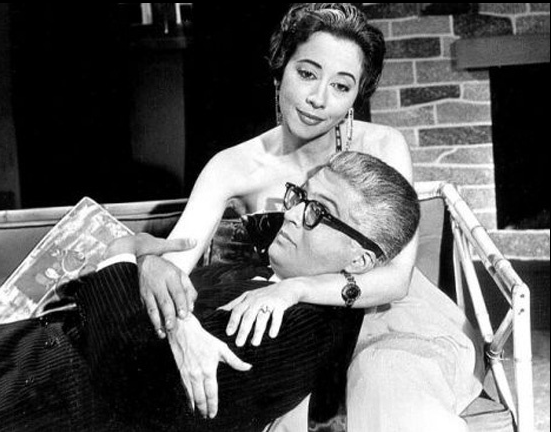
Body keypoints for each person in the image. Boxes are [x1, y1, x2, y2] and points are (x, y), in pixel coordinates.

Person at [138, 4, 483, 431]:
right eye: (307, 74)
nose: (319, 99)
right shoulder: (233, 166)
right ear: (280, 68)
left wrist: (296, 289)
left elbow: (396, 279)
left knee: (388, 386)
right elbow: (171, 266)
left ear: (357, 95)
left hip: (383, 318)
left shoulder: (384, 145)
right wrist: (176, 316)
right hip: (296, 331)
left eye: (341, 85)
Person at [0, 152, 420, 432]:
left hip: (27, 397)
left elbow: (136, 382)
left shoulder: (297, 324)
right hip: (16, 357)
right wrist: (148, 264)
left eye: (318, 213)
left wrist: (120, 254)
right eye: (300, 198)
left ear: (360, 260)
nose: (290, 215)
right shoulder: (264, 277)